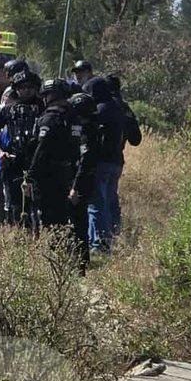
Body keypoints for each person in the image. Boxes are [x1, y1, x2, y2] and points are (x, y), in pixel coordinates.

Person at [25, 81, 94, 269]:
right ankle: (78, 263)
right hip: (70, 174)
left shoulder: (51, 117)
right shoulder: (74, 117)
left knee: (51, 220)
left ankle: (58, 262)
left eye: (46, 96)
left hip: (50, 176)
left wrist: (30, 176)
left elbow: (41, 148)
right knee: (71, 219)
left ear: (52, 96)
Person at [0, 69, 42, 225]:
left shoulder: (43, 107)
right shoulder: (9, 109)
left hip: (39, 163)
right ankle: (20, 240)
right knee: (17, 207)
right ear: (17, 89)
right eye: (22, 87)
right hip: (14, 163)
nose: (26, 90)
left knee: (38, 208)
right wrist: (0, 152)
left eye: (30, 87)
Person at [83, 76, 126, 253]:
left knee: (96, 204)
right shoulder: (118, 107)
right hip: (116, 161)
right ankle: (112, 236)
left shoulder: (100, 110)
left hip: (101, 162)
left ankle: (99, 243)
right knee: (108, 200)